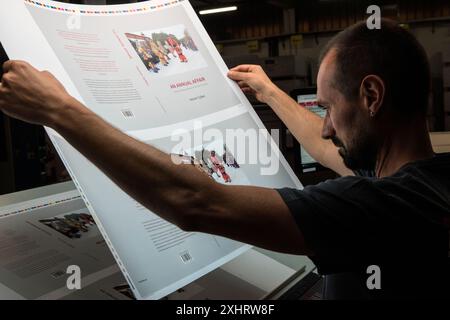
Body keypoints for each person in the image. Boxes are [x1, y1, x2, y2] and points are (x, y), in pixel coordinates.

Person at [0, 19, 449, 299]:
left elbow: (196, 202)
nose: (327, 125)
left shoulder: (385, 208)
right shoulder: (425, 179)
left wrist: (57, 110)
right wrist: (269, 91)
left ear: (371, 95)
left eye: (329, 108)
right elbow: (328, 148)